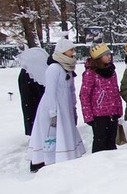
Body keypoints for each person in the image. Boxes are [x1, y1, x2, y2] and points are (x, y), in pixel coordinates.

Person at [28, 38, 85, 172]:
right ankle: (47, 160)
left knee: (64, 132)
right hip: (53, 106)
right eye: (71, 50)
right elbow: (50, 92)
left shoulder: (68, 68)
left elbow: (71, 90)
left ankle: (65, 156)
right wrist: (52, 112)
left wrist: (73, 107)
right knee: (51, 134)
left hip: (65, 106)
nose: (73, 52)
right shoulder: (54, 68)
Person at [80, 44, 123, 153]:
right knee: (100, 142)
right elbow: (85, 95)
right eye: (106, 55)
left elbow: (115, 91)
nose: (109, 57)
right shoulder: (91, 73)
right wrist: (88, 116)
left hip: (112, 112)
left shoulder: (111, 71)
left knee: (111, 141)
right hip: (98, 115)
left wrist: (119, 109)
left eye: (109, 54)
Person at [17, 47, 48, 136]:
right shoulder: (35, 72)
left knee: (30, 111)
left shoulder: (27, 71)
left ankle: (33, 130)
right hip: (37, 102)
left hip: (31, 103)